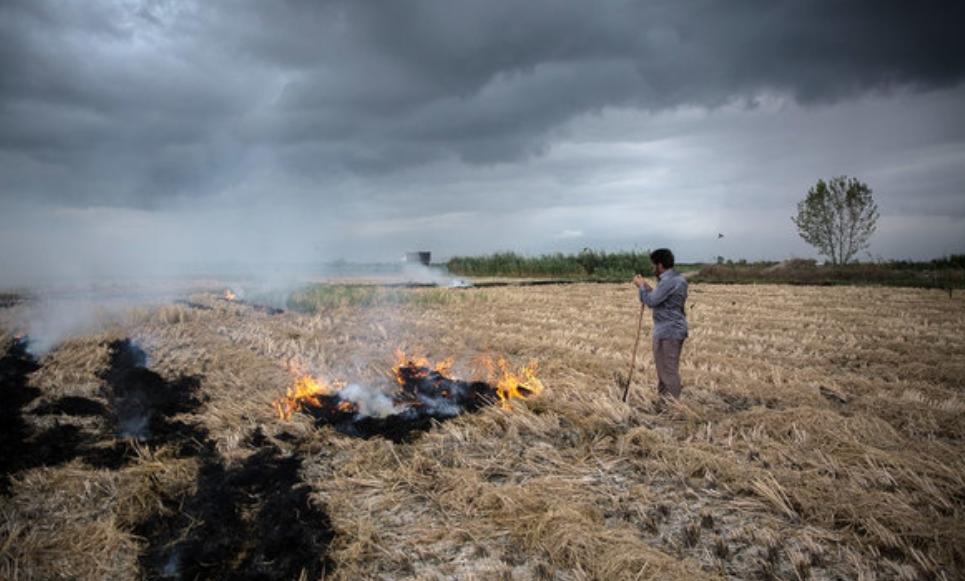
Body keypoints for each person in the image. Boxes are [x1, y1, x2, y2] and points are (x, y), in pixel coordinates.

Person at [632, 248, 688, 403]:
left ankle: (673, 406)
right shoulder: (675, 279)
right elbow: (660, 298)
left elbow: (651, 301)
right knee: (663, 371)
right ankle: (664, 403)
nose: (651, 268)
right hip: (668, 330)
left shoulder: (669, 281)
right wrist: (648, 288)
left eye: (653, 265)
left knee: (668, 372)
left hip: (669, 331)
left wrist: (641, 287)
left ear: (660, 265)